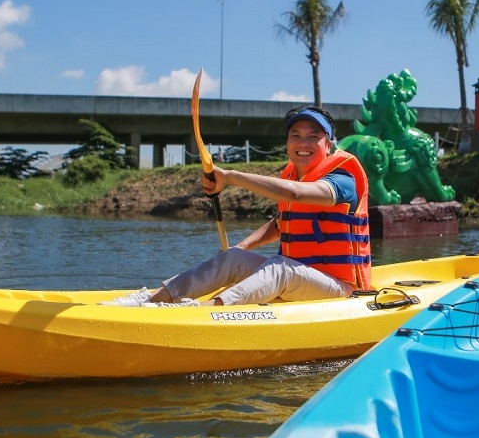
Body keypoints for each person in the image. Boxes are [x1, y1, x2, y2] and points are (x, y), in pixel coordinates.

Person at [102, 106, 370, 307]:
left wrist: (230, 177)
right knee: (232, 258)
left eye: (313, 137)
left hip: (339, 287)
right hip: (298, 278)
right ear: (288, 142)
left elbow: (296, 194)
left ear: (328, 144)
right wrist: (242, 247)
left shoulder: (343, 179)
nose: (303, 143)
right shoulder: (292, 175)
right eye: (296, 135)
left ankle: (205, 311)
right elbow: (282, 223)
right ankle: (152, 300)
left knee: (281, 267)